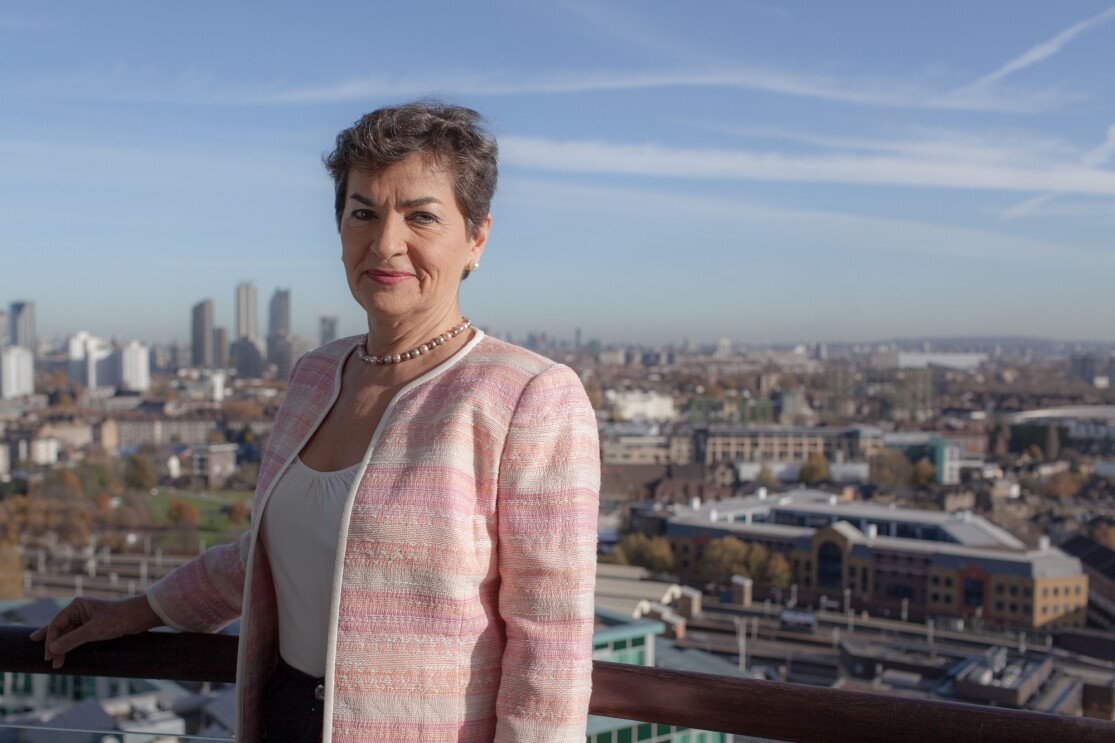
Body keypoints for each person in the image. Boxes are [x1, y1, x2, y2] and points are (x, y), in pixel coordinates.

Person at [32, 101, 601, 742]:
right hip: (282, 718)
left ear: (477, 238)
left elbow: (550, 647)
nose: (386, 242)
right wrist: (139, 611)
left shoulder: (529, 398)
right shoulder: (316, 374)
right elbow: (270, 555)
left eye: (421, 216)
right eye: (364, 213)